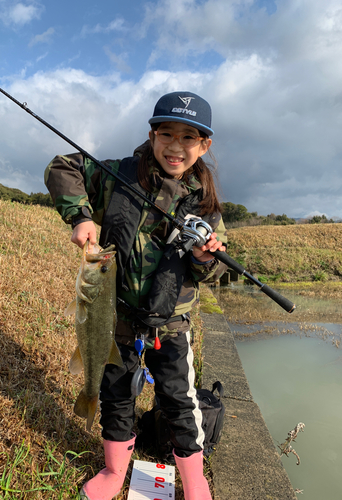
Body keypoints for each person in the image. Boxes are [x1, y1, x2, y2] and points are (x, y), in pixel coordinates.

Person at [44, 91, 228, 500]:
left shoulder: (208, 208)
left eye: (189, 137)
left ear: (204, 145)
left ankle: (195, 480)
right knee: (116, 395)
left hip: (172, 327)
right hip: (117, 319)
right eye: (167, 134)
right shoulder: (116, 175)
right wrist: (82, 215)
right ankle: (113, 471)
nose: (176, 146)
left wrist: (204, 256)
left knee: (180, 401)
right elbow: (61, 167)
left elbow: (213, 270)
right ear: (152, 134)